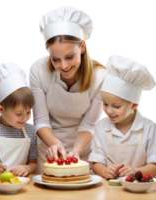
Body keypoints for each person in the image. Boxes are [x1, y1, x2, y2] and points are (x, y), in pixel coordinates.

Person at [29, 5, 106, 174]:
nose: (63, 66)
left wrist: (76, 152)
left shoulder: (100, 76)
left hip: (83, 149)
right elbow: (41, 121)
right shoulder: (38, 69)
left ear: (83, 47)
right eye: (55, 59)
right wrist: (55, 144)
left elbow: (89, 124)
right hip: (49, 149)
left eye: (69, 57)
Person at [88, 53, 156, 179]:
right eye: (105, 104)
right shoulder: (101, 127)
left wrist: (136, 171)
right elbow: (97, 163)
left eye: (117, 106)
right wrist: (104, 171)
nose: (109, 110)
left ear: (135, 105)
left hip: (140, 192)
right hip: (110, 191)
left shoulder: (150, 127)